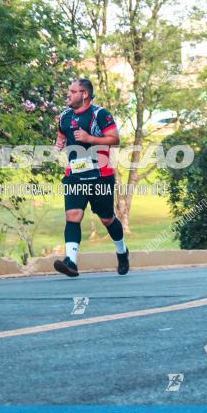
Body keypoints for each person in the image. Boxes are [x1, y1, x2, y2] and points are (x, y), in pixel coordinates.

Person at [53, 78, 129, 277]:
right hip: (75, 175)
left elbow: (115, 139)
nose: (68, 95)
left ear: (84, 94)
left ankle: (122, 252)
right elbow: (62, 134)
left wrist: (89, 139)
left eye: (73, 91)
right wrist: (59, 144)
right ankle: (71, 262)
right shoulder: (65, 117)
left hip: (100, 175)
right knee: (73, 216)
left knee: (107, 219)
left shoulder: (100, 114)